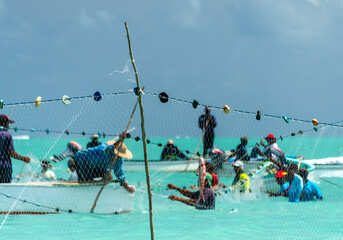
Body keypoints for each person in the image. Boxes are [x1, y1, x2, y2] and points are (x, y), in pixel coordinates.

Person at [0, 114, 30, 183]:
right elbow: (12, 153)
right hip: (5, 167)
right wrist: (23, 158)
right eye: (7, 123)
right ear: (3, 124)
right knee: (5, 188)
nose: (8, 126)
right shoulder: (7, 135)